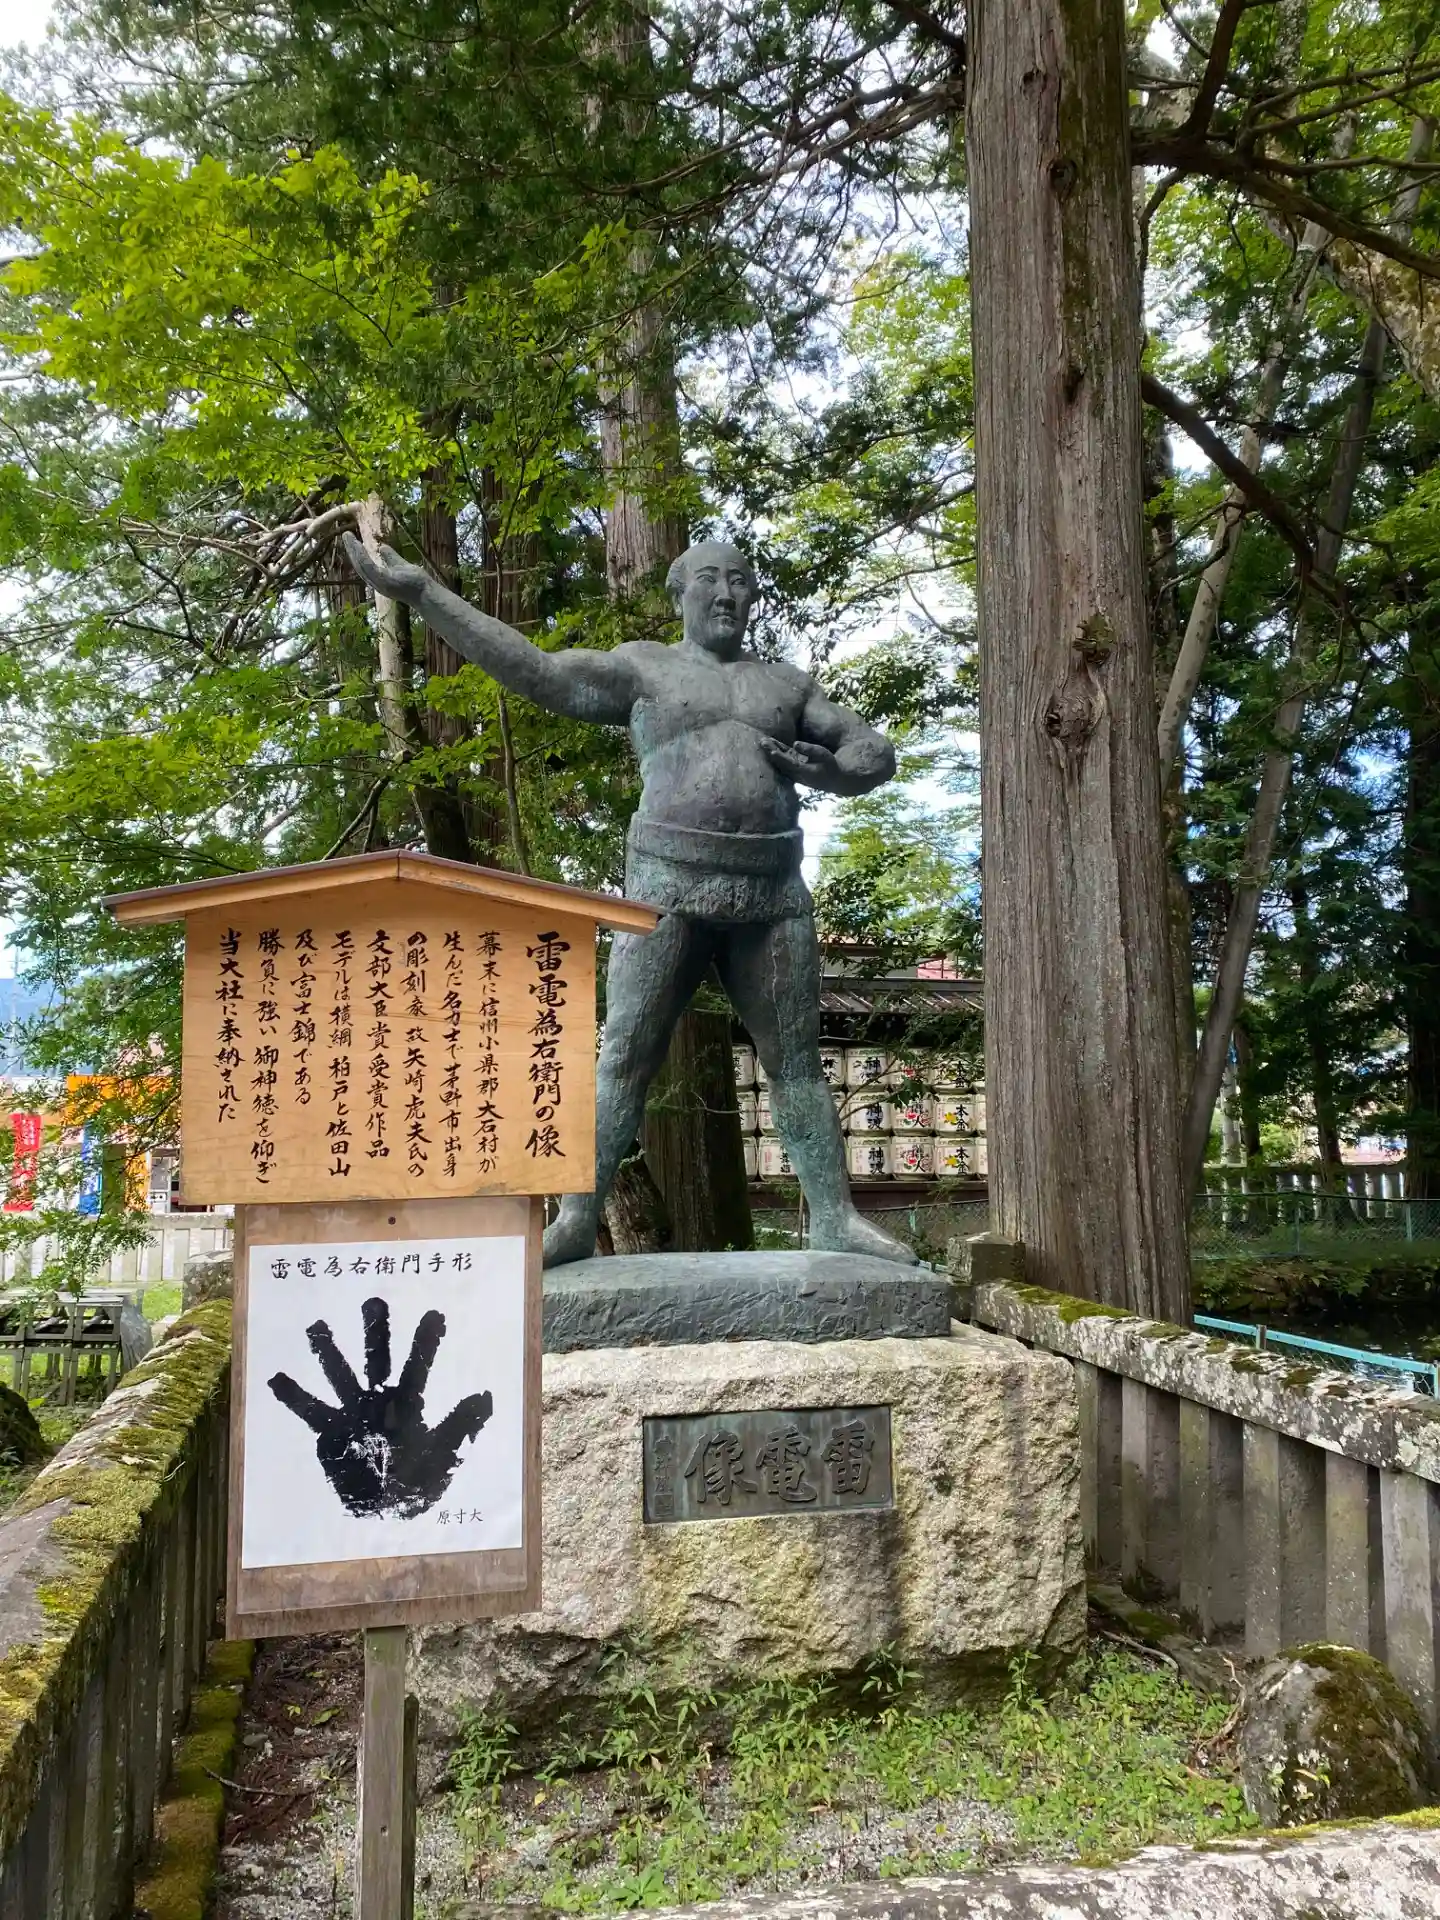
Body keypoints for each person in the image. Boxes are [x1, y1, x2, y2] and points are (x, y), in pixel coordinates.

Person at [344, 531, 916, 1268]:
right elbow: (540, 672)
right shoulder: (644, 667)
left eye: (740, 580)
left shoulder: (786, 686)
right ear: (679, 593)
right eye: (709, 578)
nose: (726, 593)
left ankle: (834, 1217)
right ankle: (577, 1217)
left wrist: (834, 771)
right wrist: (425, 595)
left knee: (797, 1062)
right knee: (623, 1055)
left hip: (771, 891)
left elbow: (873, 750)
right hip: (665, 885)